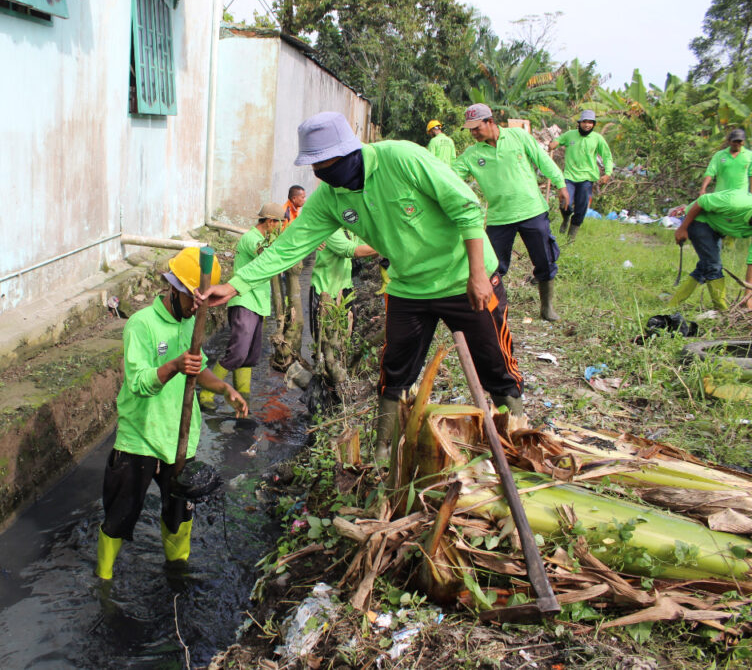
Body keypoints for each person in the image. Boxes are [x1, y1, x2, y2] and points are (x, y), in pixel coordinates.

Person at [196, 111, 524, 465]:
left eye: (324, 163)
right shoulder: (330, 198)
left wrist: (477, 274)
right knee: (394, 371)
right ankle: (383, 454)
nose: (320, 173)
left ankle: (518, 439)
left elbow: (466, 208)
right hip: (409, 287)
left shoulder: (402, 158)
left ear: (350, 151)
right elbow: (288, 247)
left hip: (463, 276)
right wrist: (234, 285)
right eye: (314, 166)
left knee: (495, 363)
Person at [97, 248, 248, 580]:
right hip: (140, 437)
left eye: (202, 301)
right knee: (120, 516)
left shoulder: (192, 322)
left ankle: (177, 571)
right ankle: (104, 581)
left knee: (178, 514)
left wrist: (224, 389)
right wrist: (175, 365)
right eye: (193, 299)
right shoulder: (141, 325)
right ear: (174, 287)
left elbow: (197, 369)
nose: (197, 307)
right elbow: (138, 382)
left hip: (180, 438)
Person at [453, 104, 569, 322]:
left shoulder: (517, 137)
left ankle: (547, 307)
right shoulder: (472, 154)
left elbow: (542, 159)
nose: (474, 133)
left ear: (490, 121)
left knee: (544, 260)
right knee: (493, 265)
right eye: (470, 130)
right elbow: (450, 178)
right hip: (499, 218)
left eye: (477, 128)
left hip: (532, 210)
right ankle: (495, 309)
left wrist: (560, 184)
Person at [199, 204, 285, 408]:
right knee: (237, 352)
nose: (281, 228)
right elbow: (269, 258)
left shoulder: (264, 239)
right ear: (271, 221)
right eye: (280, 224)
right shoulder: (251, 239)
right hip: (244, 300)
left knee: (251, 355)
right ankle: (206, 394)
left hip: (258, 303)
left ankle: (242, 395)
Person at [669, 189, 752, 312]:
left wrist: (748, 295)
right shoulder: (736, 203)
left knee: (705, 266)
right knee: (713, 266)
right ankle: (723, 311)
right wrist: (683, 228)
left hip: (718, 226)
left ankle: (673, 304)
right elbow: (701, 201)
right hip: (699, 220)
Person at [549, 109, 614, 237]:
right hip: (569, 177)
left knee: (581, 207)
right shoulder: (570, 135)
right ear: (579, 123)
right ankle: (566, 218)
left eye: (590, 122)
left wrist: (607, 173)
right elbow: (558, 140)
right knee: (564, 203)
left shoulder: (597, 139)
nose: (587, 125)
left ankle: (571, 236)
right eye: (584, 122)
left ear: (593, 124)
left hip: (587, 178)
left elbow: (607, 156)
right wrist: (554, 144)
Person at [308, 228, 377, 342]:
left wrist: (381, 248)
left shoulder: (350, 231)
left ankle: (341, 359)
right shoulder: (331, 230)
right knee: (322, 338)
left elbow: (366, 251)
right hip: (324, 289)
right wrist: (384, 248)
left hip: (345, 288)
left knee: (348, 332)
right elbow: (351, 250)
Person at [700, 129, 752, 195]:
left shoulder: (749, 155)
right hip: (721, 195)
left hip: (741, 195)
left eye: (739, 141)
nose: (737, 144)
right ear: (729, 141)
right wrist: (703, 189)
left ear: (743, 142)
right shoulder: (719, 155)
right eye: (735, 141)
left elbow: (751, 175)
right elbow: (710, 173)